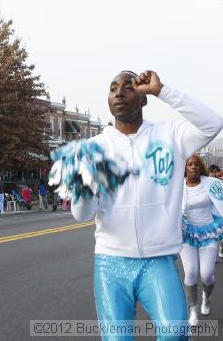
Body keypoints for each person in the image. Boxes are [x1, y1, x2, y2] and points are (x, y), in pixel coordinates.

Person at [68, 70, 223, 341]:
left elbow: (212, 123)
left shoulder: (170, 136)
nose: (118, 93)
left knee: (175, 333)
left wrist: (163, 90)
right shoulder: (94, 149)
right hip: (110, 263)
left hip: (158, 261)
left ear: (143, 98)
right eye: (112, 88)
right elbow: (82, 214)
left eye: (128, 87)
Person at [180, 155, 223, 327]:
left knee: (206, 274)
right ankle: (193, 309)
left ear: (201, 167)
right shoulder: (178, 186)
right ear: (185, 168)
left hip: (208, 232)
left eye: (197, 164)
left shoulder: (210, 183)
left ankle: (207, 297)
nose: (193, 167)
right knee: (190, 272)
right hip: (186, 235)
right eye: (190, 164)